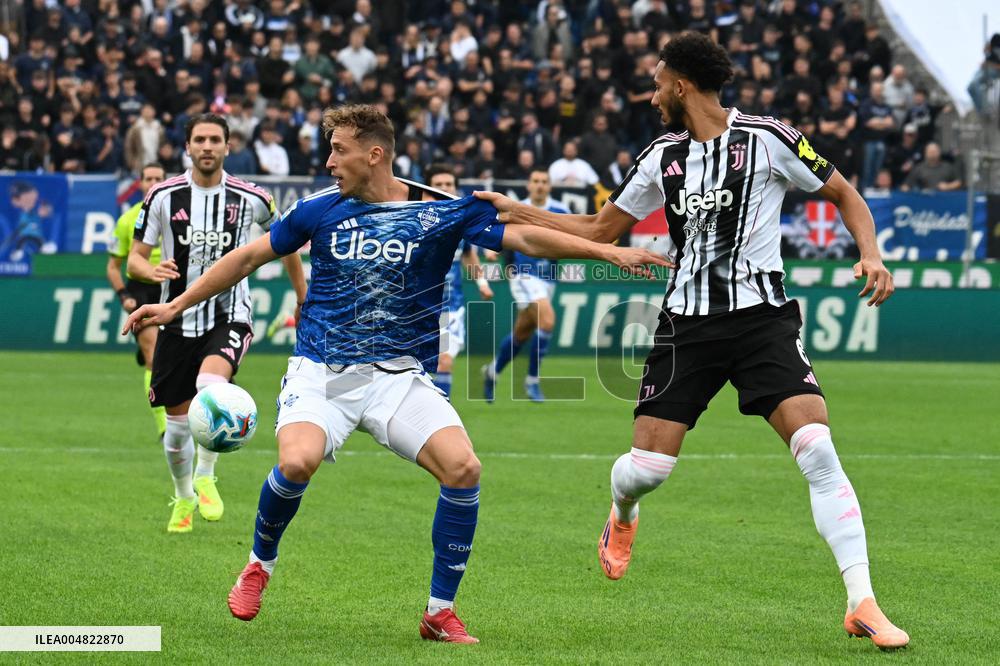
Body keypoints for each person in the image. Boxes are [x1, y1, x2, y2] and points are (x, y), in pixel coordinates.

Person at [123, 104, 667, 643]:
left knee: (464, 469)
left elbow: (525, 238)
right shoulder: (317, 209)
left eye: (339, 150)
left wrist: (606, 252)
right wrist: (175, 306)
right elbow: (247, 258)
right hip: (323, 374)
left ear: (374, 154)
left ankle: (439, 613)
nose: (329, 161)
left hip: (398, 378)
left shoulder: (439, 210)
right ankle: (258, 566)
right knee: (296, 461)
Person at [475, 32, 908, 650]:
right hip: (688, 326)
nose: (652, 97)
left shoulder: (770, 138)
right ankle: (622, 513)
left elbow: (843, 192)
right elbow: (599, 228)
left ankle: (862, 601)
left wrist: (871, 253)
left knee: (816, 447)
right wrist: (517, 210)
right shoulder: (661, 156)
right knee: (647, 470)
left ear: (680, 85)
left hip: (762, 321)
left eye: (656, 85)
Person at [128, 113, 307, 534]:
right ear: (187, 147)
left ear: (228, 146)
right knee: (176, 431)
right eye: (200, 140)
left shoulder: (253, 198)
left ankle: (206, 474)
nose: (207, 147)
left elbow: (288, 246)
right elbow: (135, 257)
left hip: (229, 315)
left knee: (210, 386)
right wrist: (150, 271)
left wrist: (303, 296)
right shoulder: (162, 196)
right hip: (175, 319)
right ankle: (184, 495)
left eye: (214, 140)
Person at [483, 169, 568, 403]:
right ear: (528, 185)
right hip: (523, 274)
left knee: (522, 333)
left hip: (548, 278)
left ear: (549, 186)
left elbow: (573, 238)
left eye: (544, 182)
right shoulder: (516, 208)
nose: (540, 185)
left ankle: (492, 371)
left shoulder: (561, 210)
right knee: (547, 321)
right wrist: (491, 250)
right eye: (536, 181)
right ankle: (532, 381)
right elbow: (496, 232)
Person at [106, 163, 168, 439]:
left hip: (174, 288)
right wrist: (124, 295)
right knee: (153, 356)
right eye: (148, 179)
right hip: (142, 290)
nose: (153, 183)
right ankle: (164, 425)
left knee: (179, 358)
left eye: (158, 178)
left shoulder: (179, 214)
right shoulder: (127, 220)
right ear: (140, 183)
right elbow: (113, 267)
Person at [423, 164, 494, 400]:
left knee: (444, 360)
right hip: (418, 307)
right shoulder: (415, 217)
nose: (444, 188)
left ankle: (441, 414)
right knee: (416, 369)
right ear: (428, 188)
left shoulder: (463, 218)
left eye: (448, 184)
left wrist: (482, 283)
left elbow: (468, 254)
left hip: (450, 307)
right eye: (438, 184)